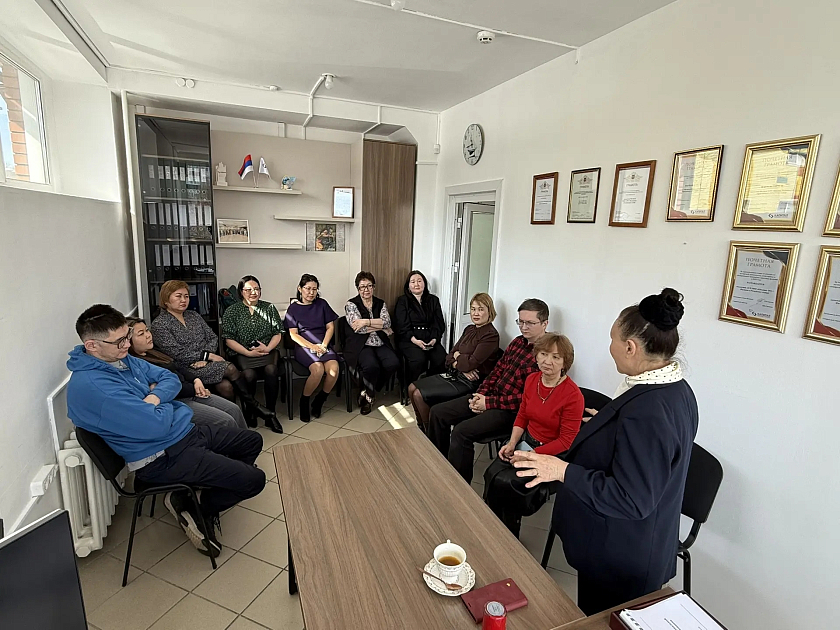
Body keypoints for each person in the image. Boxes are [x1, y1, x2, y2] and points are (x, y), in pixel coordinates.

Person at [511, 289, 698, 615]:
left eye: (613, 339)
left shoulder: (648, 412)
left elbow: (631, 498)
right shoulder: (677, 390)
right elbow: (643, 451)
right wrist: (609, 424)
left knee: (599, 619)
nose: (609, 347)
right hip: (630, 543)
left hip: (622, 555)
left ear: (630, 347)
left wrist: (560, 470)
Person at [67, 304, 266, 557]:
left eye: (127, 337)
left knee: (251, 441)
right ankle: (197, 506)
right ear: (92, 345)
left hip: (182, 434)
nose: (127, 345)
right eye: (119, 341)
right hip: (160, 456)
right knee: (255, 480)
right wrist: (165, 404)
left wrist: (154, 398)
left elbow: (170, 378)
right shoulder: (95, 387)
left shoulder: (119, 359)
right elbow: (155, 425)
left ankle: (203, 490)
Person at [427, 298, 549, 482]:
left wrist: (489, 403)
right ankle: (437, 463)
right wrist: (481, 394)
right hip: (490, 397)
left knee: (461, 432)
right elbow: (496, 371)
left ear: (544, 323)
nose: (523, 327)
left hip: (510, 411)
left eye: (530, 323)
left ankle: (458, 486)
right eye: (520, 321)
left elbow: (528, 399)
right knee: (438, 412)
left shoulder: (547, 355)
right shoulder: (517, 342)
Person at [483, 333, 583, 537]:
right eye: (543, 354)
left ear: (565, 362)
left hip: (552, 453)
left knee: (509, 484)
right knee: (491, 474)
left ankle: (508, 535)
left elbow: (566, 441)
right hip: (526, 442)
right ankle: (490, 526)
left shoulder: (573, 396)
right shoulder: (532, 380)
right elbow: (522, 415)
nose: (547, 361)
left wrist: (531, 455)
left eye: (556, 357)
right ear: (536, 355)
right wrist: (512, 443)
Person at [150, 280, 277, 428]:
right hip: (186, 369)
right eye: (178, 296)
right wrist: (208, 356)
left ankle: (234, 423)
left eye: (186, 296)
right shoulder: (160, 324)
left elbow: (212, 337)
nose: (183, 300)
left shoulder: (193, 315)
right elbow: (176, 353)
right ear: (166, 299)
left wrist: (206, 357)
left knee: (226, 387)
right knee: (230, 368)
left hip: (205, 364)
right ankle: (253, 406)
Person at [127, 317, 247, 430]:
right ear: (128, 341)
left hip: (191, 389)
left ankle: (249, 443)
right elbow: (169, 388)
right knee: (226, 420)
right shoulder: (138, 364)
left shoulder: (154, 351)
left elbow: (179, 367)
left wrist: (196, 380)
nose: (148, 335)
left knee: (234, 409)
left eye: (147, 330)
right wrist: (195, 389)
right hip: (177, 400)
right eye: (141, 334)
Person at [408, 292, 500, 431]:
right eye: (473, 309)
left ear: (489, 311)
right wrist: (459, 362)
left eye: (480, 309)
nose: (475, 313)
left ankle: (428, 433)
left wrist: (459, 358)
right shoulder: (469, 329)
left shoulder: (491, 335)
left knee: (418, 394)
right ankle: (422, 427)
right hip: (456, 374)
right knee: (411, 388)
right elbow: (449, 356)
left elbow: (469, 364)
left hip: (471, 382)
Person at [221, 275, 285, 433]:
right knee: (249, 375)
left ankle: (270, 414)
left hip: (267, 351)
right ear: (241, 292)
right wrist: (248, 353)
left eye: (256, 289)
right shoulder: (232, 311)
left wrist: (268, 348)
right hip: (242, 353)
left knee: (271, 370)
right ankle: (251, 410)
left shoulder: (269, 308)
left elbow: (278, 333)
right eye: (248, 289)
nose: (253, 292)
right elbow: (228, 339)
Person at [285, 274, 340, 422]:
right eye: (308, 288)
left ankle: (320, 400)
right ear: (300, 289)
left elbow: (330, 327)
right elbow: (293, 335)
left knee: (334, 369)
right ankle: (304, 401)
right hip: (304, 346)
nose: (311, 292)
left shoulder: (322, 304)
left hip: (323, 344)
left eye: (314, 289)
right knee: (318, 369)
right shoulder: (293, 309)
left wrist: (323, 345)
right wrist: (312, 347)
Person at [343, 271, 399, 415]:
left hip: (380, 342)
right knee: (371, 366)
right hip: (360, 344)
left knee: (393, 362)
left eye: (369, 286)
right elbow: (358, 329)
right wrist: (380, 326)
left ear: (373, 287)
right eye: (362, 287)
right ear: (358, 288)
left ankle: (369, 388)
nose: (366, 289)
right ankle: (369, 397)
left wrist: (365, 321)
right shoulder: (351, 304)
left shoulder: (380, 303)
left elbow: (387, 322)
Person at [394, 270, 447, 384]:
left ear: (424, 283)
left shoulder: (433, 300)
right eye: (413, 282)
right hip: (409, 339)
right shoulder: (403, 301)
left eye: (419, 281)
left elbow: (439, 323)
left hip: (430, 338)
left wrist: (434, 339)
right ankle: (411, 387)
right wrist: (415, 341)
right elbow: (401, 325)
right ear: (408, 286)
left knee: (441, 358)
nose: (416, 284)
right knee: (418, 360)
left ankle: (433, 386)